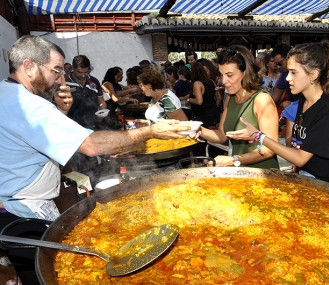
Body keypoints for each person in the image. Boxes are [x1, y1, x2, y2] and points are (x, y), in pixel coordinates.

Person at [0, 35, 188, 285]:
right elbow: (91, 145)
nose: (59, 78)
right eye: (56, 70)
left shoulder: (6, 93)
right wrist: (151, 131)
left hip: (12, 203)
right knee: (41, 275)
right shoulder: (29, 104)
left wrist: (60, 113)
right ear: (29, 66)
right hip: (20, 211)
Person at [227, 41, 329, 188]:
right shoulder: (303, 102)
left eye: (294, 72)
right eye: (288, 72)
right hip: (308, 180)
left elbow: (300, 158)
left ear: (313, 74)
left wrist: (259, 136)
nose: (287, 78)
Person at [192, 45, 279, 169]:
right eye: (221, 75)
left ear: (245, 73)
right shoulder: (230, 98)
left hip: (263, 174)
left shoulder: (262, 100)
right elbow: (222, 136)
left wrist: (233, 160)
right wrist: (197, 129)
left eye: (229, 75)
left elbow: (270, 150)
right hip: (240, 172)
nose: (223, 81)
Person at [65, 55, 107, 130]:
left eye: (86, 72)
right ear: (73, 68)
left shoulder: (94, 81)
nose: (83, 75)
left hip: (93, 124)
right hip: (72, 125)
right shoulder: (65, 82)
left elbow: (101, 102)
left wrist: (101, 113)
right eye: (79, 72)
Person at [188, 62, 220, 128]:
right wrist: (213, 107)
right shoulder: (211, 81)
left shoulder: (197, 83)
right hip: (214, 113)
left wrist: (189, 100)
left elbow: (199, 101)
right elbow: (218, 97)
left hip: (203, 115)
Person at [270, 43, 299, 108]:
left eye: (280, 63)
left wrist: (292, 104)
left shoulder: (301, 73)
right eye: (276, 64)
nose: (278, 67)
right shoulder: (284, 73)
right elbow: (275, 96)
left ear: (289, 57)